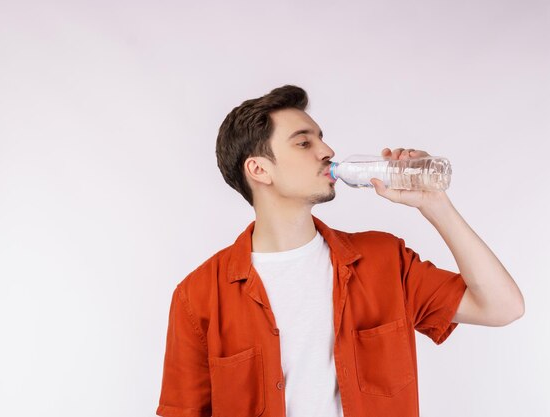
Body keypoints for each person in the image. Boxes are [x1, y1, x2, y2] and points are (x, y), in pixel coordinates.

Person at [156, 85, 524, 417]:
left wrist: (435, 204)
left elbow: (502, 307)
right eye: (304, 143)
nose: (327, 151)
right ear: (259, 169)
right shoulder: (199, 296)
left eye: (321, 139)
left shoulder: (384, 260)